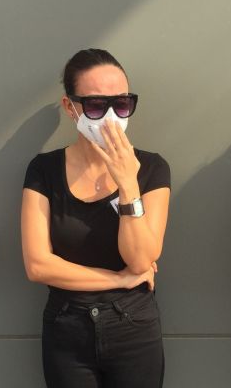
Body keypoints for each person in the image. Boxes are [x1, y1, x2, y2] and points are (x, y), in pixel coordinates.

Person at [21, 48, 170, 388]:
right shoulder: (44, 170)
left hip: (133, 326)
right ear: (70, 107)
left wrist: (128, 184)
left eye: (121, 103)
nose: (110, 116)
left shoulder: (151, 168)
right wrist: (118, 280)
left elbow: (141, 259)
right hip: (67, 325)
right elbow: (38, 266)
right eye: (95, 105)